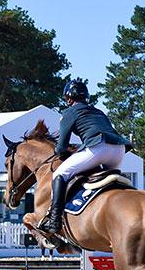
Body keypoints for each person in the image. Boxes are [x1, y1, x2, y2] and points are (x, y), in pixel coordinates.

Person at [40, 78, 128, 237]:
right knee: (112, 181)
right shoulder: (98, 111)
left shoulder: (69, 112)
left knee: (60, 174)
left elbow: (60, 148)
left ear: (68, 98)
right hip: (119, 149)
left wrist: (61, 152)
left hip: (99, 148)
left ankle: (55, 219)